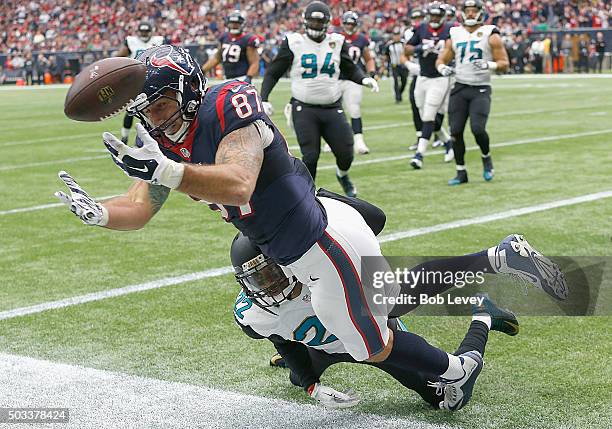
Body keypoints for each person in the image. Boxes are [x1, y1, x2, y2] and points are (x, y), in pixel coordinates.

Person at [55, 43, 566, 413]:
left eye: (161, 105)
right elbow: (140, 207)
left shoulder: (227, 100)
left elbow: (237, 183)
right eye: (145, 112)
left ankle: (456, 371)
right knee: (390, 299)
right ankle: (499, 259)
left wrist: (167, 170)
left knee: (368, 342)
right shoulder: (169, 142)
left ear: (188, 90)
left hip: (318, 239)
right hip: (305, 234)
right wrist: (101, 213)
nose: (156, 120)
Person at [230, 229, 520, 409]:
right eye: (256, 280)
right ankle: (309, 354)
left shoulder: (322, 270)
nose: (267, 287)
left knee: (447, 399)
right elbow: (280, 338)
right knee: (298, 376)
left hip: (367, 335)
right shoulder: (252, 314)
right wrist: (311, 385)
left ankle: (482, 314)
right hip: (326, 345)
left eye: (271, 274)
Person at [260, 1, 379, 197]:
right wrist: (264, 97)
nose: (315, 25)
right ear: (305, 21)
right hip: (303, 107)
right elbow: (273, 72)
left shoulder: (337, 41)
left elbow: (349, 68)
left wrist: (364, 78)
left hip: (332, 107)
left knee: (346, 152)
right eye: (312, 21)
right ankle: (307, 196)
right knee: (311, 154)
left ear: (327, 23)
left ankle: (342, 175)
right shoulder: (294, 41)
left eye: (319, 22)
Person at [436, 0, 509, 185]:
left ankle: (486, 157)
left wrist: (489, 65)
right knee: (456, 131)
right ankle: (461, 172)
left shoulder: (490, 33)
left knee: (478, 129)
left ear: (480, 12)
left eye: (473, 11)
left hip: (481, 88)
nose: (469, 14)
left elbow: (504, 64)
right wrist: (442, 68)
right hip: (460, 87)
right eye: (467, 11)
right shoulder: (455, 33)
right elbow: (442, 58)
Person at [405, 1, 455, 169]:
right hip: (423, 77)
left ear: (443, 17)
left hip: (440, 78)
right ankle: (448, 142)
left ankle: (419, 155)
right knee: (426, 116)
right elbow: (407, 49)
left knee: (429, 115)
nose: (434, 18)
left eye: (437, 15)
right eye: (432, 15)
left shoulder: (450, 29)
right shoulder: (422, 28)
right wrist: (420, 47)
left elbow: (453, 48)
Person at [115, 22, 165, 144]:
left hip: (154, 79)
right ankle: (125, 136)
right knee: (131, 110)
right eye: (142, 32)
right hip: (136, 80)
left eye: (146, 32)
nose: (144, 34)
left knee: (154, 109)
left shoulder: (159, 40)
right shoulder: (131, 41)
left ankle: (155, 137)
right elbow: (119, 57)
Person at [337, 11, 377, 155]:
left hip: (353, 79)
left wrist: (371, 73)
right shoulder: (335, 38)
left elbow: (368, 58)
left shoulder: (361, 39)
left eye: (352, 23)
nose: (349, 26)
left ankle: (359, 142)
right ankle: (333, 140)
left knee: (354, 109)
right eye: (347, 23)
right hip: (334, 79)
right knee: (333, 110)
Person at [201, 10, 260, 83]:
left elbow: (255, 62)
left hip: (242, 78)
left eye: (237, 23)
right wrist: (202, 70)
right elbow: (217, 58)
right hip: (227, 79)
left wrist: (248, 77)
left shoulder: (248, 39)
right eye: (232, 23)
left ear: (242, 24)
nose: (234, 25)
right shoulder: (224, 37)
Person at [404, 9, 425, 151]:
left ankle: (437, 135)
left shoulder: (427, 30)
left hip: (431, 72)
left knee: (433, 106)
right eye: (415, 18)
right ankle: (420, 136)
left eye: (420, 17)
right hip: (417, 71)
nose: (417, 20)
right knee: (414, 101)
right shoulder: (408, 33)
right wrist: (408, 64)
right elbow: (403, 52)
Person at [382, 27, 408, 104]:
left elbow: (408, 53)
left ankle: (399, 93)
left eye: (398, 35)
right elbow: (385, 56)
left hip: (403, 65)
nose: (396, 37)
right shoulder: (389, 45)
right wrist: (384, 66)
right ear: (392, 36)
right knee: (396, 82)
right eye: (395, 35)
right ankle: (398, 98)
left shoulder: (404, 43)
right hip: (394, 66)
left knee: (404, 81)